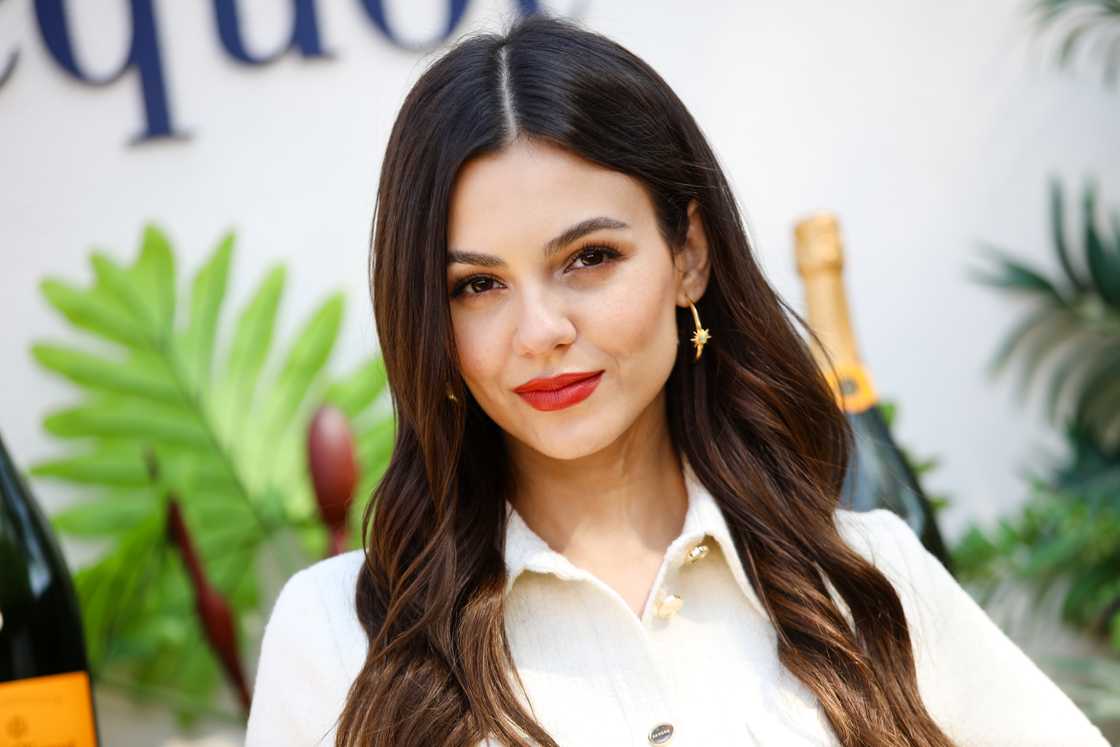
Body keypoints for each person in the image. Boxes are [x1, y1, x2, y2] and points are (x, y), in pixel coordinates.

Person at [244, 12, 1109, 747]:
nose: (541, 331)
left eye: (589, 258)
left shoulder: (863, 575)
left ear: (688, 255)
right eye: (477, 285)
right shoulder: (339, 634)